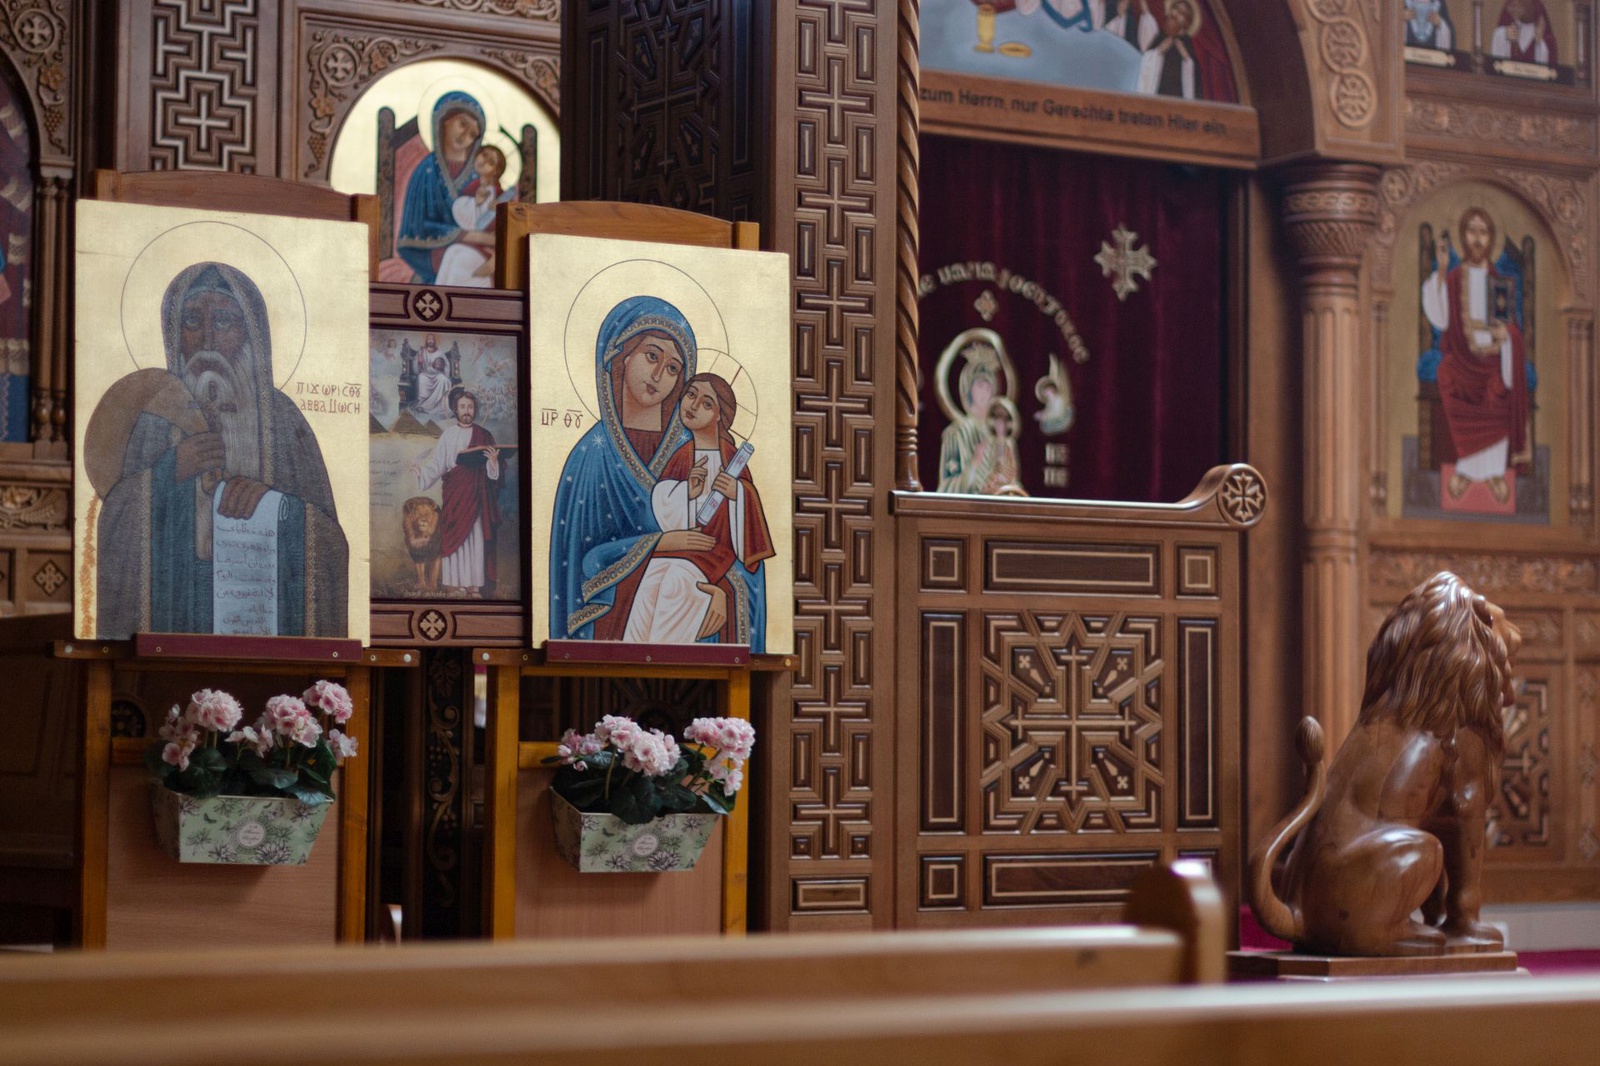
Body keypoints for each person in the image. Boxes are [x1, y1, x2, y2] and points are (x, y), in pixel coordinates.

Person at [87, 262, 348, 638]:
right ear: (175, 334)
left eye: (224, 321)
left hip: (265, 618)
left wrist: (277, 508)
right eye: (192, 322)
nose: (207, 340)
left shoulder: (282, 419)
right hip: (172, 609)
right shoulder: (156, 419)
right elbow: (116, 520)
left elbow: (330, 545)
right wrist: (168, 473)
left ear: (250, 333)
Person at [550, 296, 768, 650]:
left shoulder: (699, 447)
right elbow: (578, 569)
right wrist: (660, 544)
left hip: (696, 587)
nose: (658, 376)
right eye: (651, 356)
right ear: (621, 354)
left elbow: (745, 556)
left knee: (676, 584)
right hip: (613, 634)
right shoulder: (590, 456)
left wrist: (722, 593)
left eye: (672, 369)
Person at [623, 373, 774, 644]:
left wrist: (737, 492)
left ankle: (665, 659)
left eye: (706, 404)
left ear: (719, 416)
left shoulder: (732, 458)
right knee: (651, 581)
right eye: (691, 395)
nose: (693, 406)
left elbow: (749, 506)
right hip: (683, 546)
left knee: (676, 582)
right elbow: (663, 510)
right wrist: (686, 492)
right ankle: (632, 656)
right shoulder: (683, 455)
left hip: (713, 549)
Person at [1420, 207, 1532, 504]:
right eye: (1472, 231)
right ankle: (1468, 469)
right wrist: (1441, 271)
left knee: (1498, 389)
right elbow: (1440, 319)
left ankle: (1493, 472)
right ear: (1463, 236)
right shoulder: (1454, 278)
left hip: (1494, 360)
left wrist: (1507, 335)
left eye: (1483, 232)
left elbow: (1514, 328)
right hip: (1462, 358)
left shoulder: (1500, 282)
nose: (1478, 238)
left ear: (1491, 238)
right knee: (1446, 374)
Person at [411, 386, 501, 597]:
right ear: (455, 409)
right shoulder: (448, 435)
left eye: (470, 406)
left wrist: (493, 462)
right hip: (455, 493)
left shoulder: (484, 435)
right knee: (454, 538)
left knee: (475, 540)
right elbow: (438, 464)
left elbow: (494, 474)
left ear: (474, 409)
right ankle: (454, 585)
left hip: (476, 495)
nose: (467, 410)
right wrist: (421, 472)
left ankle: (474, 586)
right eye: (462, 406)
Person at [396, 92, 492, 285]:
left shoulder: (479, 178)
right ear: (445, 121)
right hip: (431, 257)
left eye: (472, 134)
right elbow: (413, 232)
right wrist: (468, 236)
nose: (465, 136)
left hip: (478, 257)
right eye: (462, 124)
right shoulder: (426, 172)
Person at [435, 144, 512, 287]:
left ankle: (455, 299)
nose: (483, 162)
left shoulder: (499, 196)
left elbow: (485, 226)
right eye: (484, 155)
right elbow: (462, 218)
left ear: (496, 171)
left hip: (487, 250)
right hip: (472, 244)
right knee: (451, 252)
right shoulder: (473, 186)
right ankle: (439, 296)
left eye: (490, 162)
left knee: (461, 259)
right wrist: (476, 202)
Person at [937, 341, 1003, 494]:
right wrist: (975, 463)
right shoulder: (955, 433)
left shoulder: (997, 432)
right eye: (980, 386)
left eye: (989, 387)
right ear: (968, 388)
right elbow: (946, 488)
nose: (985, 392)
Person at [1136, 0, 1200, 98]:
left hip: (1177, 98)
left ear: (1187, 23)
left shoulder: (1186, 43)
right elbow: (1144, 61)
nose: (1175, 14)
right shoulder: (1161, 37)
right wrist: (1158, 51)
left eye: (1182, 13)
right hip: (1157, 95)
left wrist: (1186, 59)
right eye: (1175, 9)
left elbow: (1194, 81)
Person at [1491, 0, 1557, 65]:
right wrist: (1504, 35)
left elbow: (1549, 63)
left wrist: (1539, 42)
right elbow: (1497, 62)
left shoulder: (1542, 28)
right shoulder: (1508, 20)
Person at [411, 333, 452, 421]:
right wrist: (419, 362)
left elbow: (447, 363)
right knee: (421, 378)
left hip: (437, 374)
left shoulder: (440, 352)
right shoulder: (422, 351)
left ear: (435, 341)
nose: (430, 341)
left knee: (444, 380)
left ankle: (441, 407)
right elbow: (415, 367)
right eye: (429, 339)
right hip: (425, 374)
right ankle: (423, 404)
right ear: (426, 340)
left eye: (432, 339)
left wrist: (444, 371)